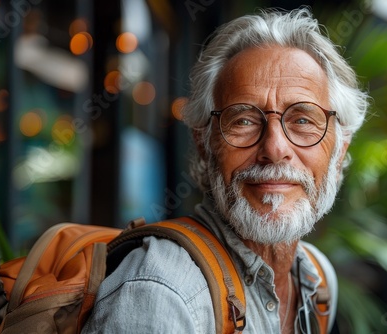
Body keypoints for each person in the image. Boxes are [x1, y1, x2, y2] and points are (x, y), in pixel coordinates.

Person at [83, 7, 368, 334]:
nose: (275, 149)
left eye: (302, 120)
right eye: (244, 120)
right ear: (205, 143)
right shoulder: (161, 293)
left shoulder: (316, 278)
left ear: (340, 148)